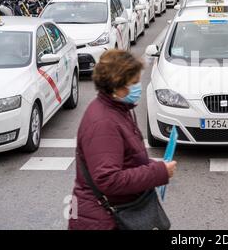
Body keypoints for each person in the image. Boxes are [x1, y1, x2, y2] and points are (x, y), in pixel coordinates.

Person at [68, 50, 177, 230]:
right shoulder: (104, 122)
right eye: (133, 82)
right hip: (103, 220)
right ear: (116, 86)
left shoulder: (119, 109)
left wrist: (155, 167)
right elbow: (109, 179)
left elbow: (126, 158)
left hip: (113, 214)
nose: (138, 86)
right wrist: (157, 172)